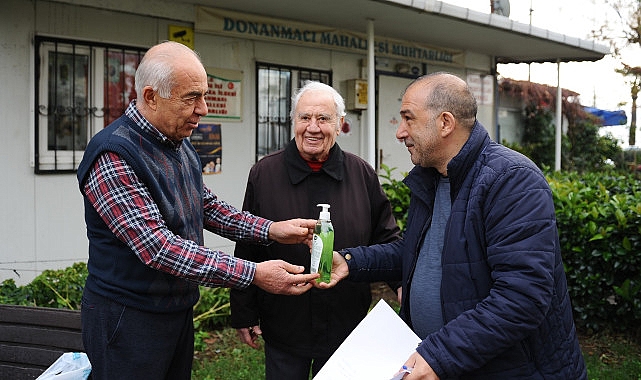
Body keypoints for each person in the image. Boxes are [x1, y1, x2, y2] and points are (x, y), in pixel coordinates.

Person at [318, 72, 587, 379]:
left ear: (445, 123)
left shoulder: (511, 180)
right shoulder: (433, 178)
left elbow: (521, 297)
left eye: (409, 119)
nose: (400, 132)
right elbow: (418, 254)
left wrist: (440, 354)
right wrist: (350, 263)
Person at [76, 41, 319, 380]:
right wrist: (253, 274)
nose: (203, 109)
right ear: (150, 97)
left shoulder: (176, 142)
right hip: (127, 317)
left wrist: (270, 229)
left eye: (204, 95)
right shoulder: (113, 155)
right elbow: (159, 248)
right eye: (191, 97)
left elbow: (204, 205)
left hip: (174, 310)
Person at [230, 81, 401, 379]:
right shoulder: (264, 173)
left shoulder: (361, 174)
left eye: (323, 119)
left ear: (340, 125)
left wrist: (403, 286)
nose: (313, 127)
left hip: (345, 321)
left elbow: (386, 239)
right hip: (284, 320)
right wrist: (243, 312)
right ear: (293, 121)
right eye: (304, 118)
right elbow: (248, 242)